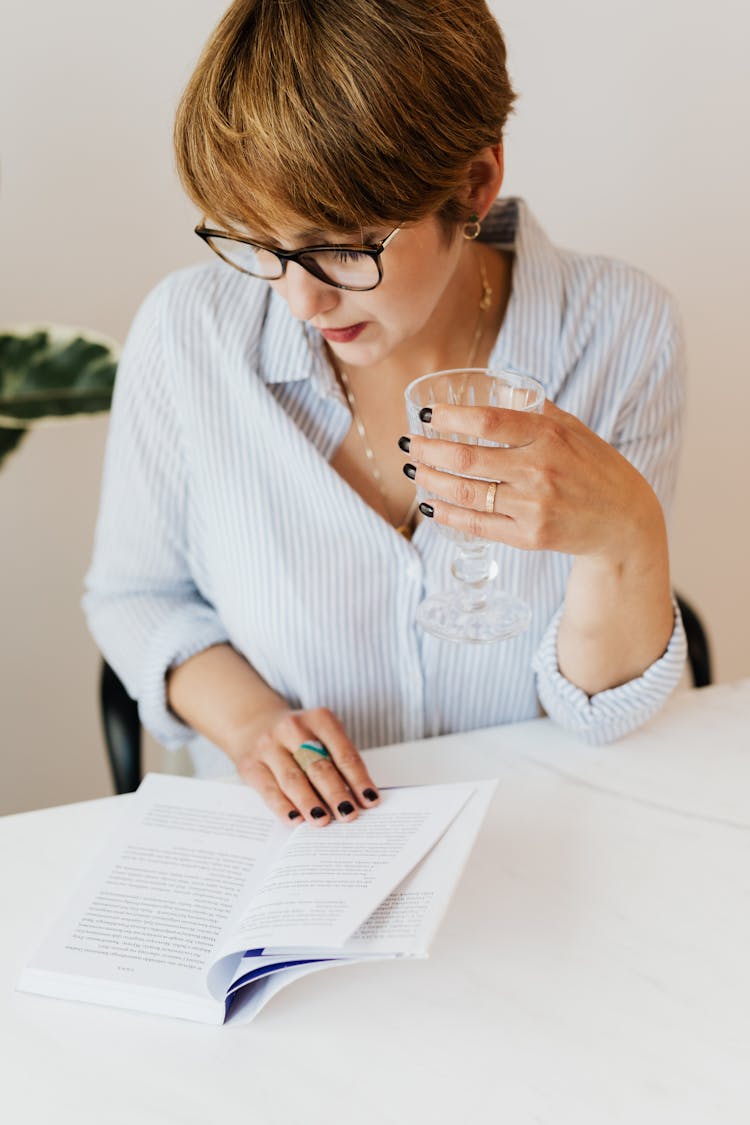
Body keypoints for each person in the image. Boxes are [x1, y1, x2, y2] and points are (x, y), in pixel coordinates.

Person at [84, 0, 686, 826]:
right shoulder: (189, 334)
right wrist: (254, 724)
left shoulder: (618, 332)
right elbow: (134, 594)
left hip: (539, 839)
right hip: (295, 859)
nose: (300, 297)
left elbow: (601, 711)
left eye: (342, 244)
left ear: (473, 183)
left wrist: (628, 533)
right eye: (260, 242)